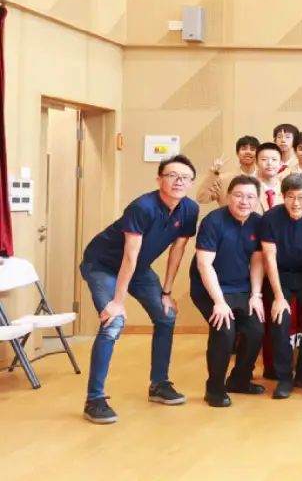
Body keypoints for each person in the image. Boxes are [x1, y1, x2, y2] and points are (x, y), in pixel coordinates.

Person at [79, 155, 200, 424]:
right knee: (113, 322)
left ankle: (159, 384)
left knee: (166, 316)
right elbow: (129, 256)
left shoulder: (190, 209)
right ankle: (94, 399)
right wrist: (117, 301)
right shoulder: (142, 207)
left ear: (191, 182)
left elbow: (177, 251)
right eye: (172, 175)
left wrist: (167, 293)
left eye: (185, 177)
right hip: (102, 264)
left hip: (139, 268)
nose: (178, 181)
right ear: (159, 180)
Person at [190, 175, 266, 407]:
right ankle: (214, 388)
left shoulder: (258, 222)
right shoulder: (213, 221)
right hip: (209, 288)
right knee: (224, 330)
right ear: (228, 196)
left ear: (257, 200)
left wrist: (256, 295)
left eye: (250, 197)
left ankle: (239, 380)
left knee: (255, 329)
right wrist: (219, 302)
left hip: (241, 288)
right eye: (238, 195)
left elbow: (257, 260)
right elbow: (204, 265)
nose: (244, 201)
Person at [258, 173, 302, 399]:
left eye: (301, 197)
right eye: (290, 197)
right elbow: (269, 258)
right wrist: (278, 296)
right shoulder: (270, 218)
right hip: (281, 276)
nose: (296, 203)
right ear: (283, 196)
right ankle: (284, 377)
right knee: (280, 322)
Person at [196, 135, 259, 205]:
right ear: (237, 153)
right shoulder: (224, 179)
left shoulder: (264, 179)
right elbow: (201, 198)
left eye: (252, 149)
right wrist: (213, 172)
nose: (248, 152)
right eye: (244, 149)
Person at [253, 142, 284, 213]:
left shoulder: (287, 189)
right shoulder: (250, 188)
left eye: (274, 159)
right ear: (256, 163)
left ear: (281, 164)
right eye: (264, 159)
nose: (269, 163)